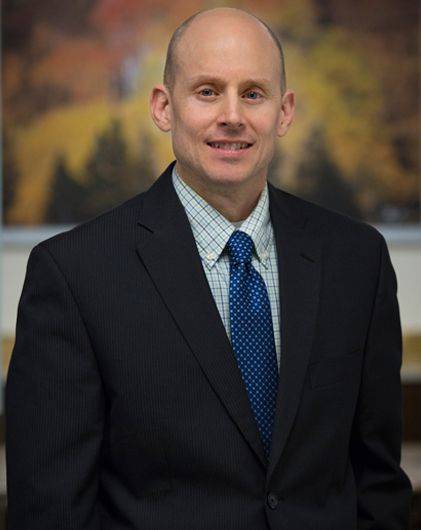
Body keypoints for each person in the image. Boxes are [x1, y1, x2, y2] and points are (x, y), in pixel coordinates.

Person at [6, 7, 412, 529]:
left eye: (253, 93)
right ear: (163, 106)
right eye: (207, 91)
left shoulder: (357, 260)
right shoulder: (74, 274)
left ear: (284, 111)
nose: (232, 116)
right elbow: (50, 510)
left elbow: (379, 483)